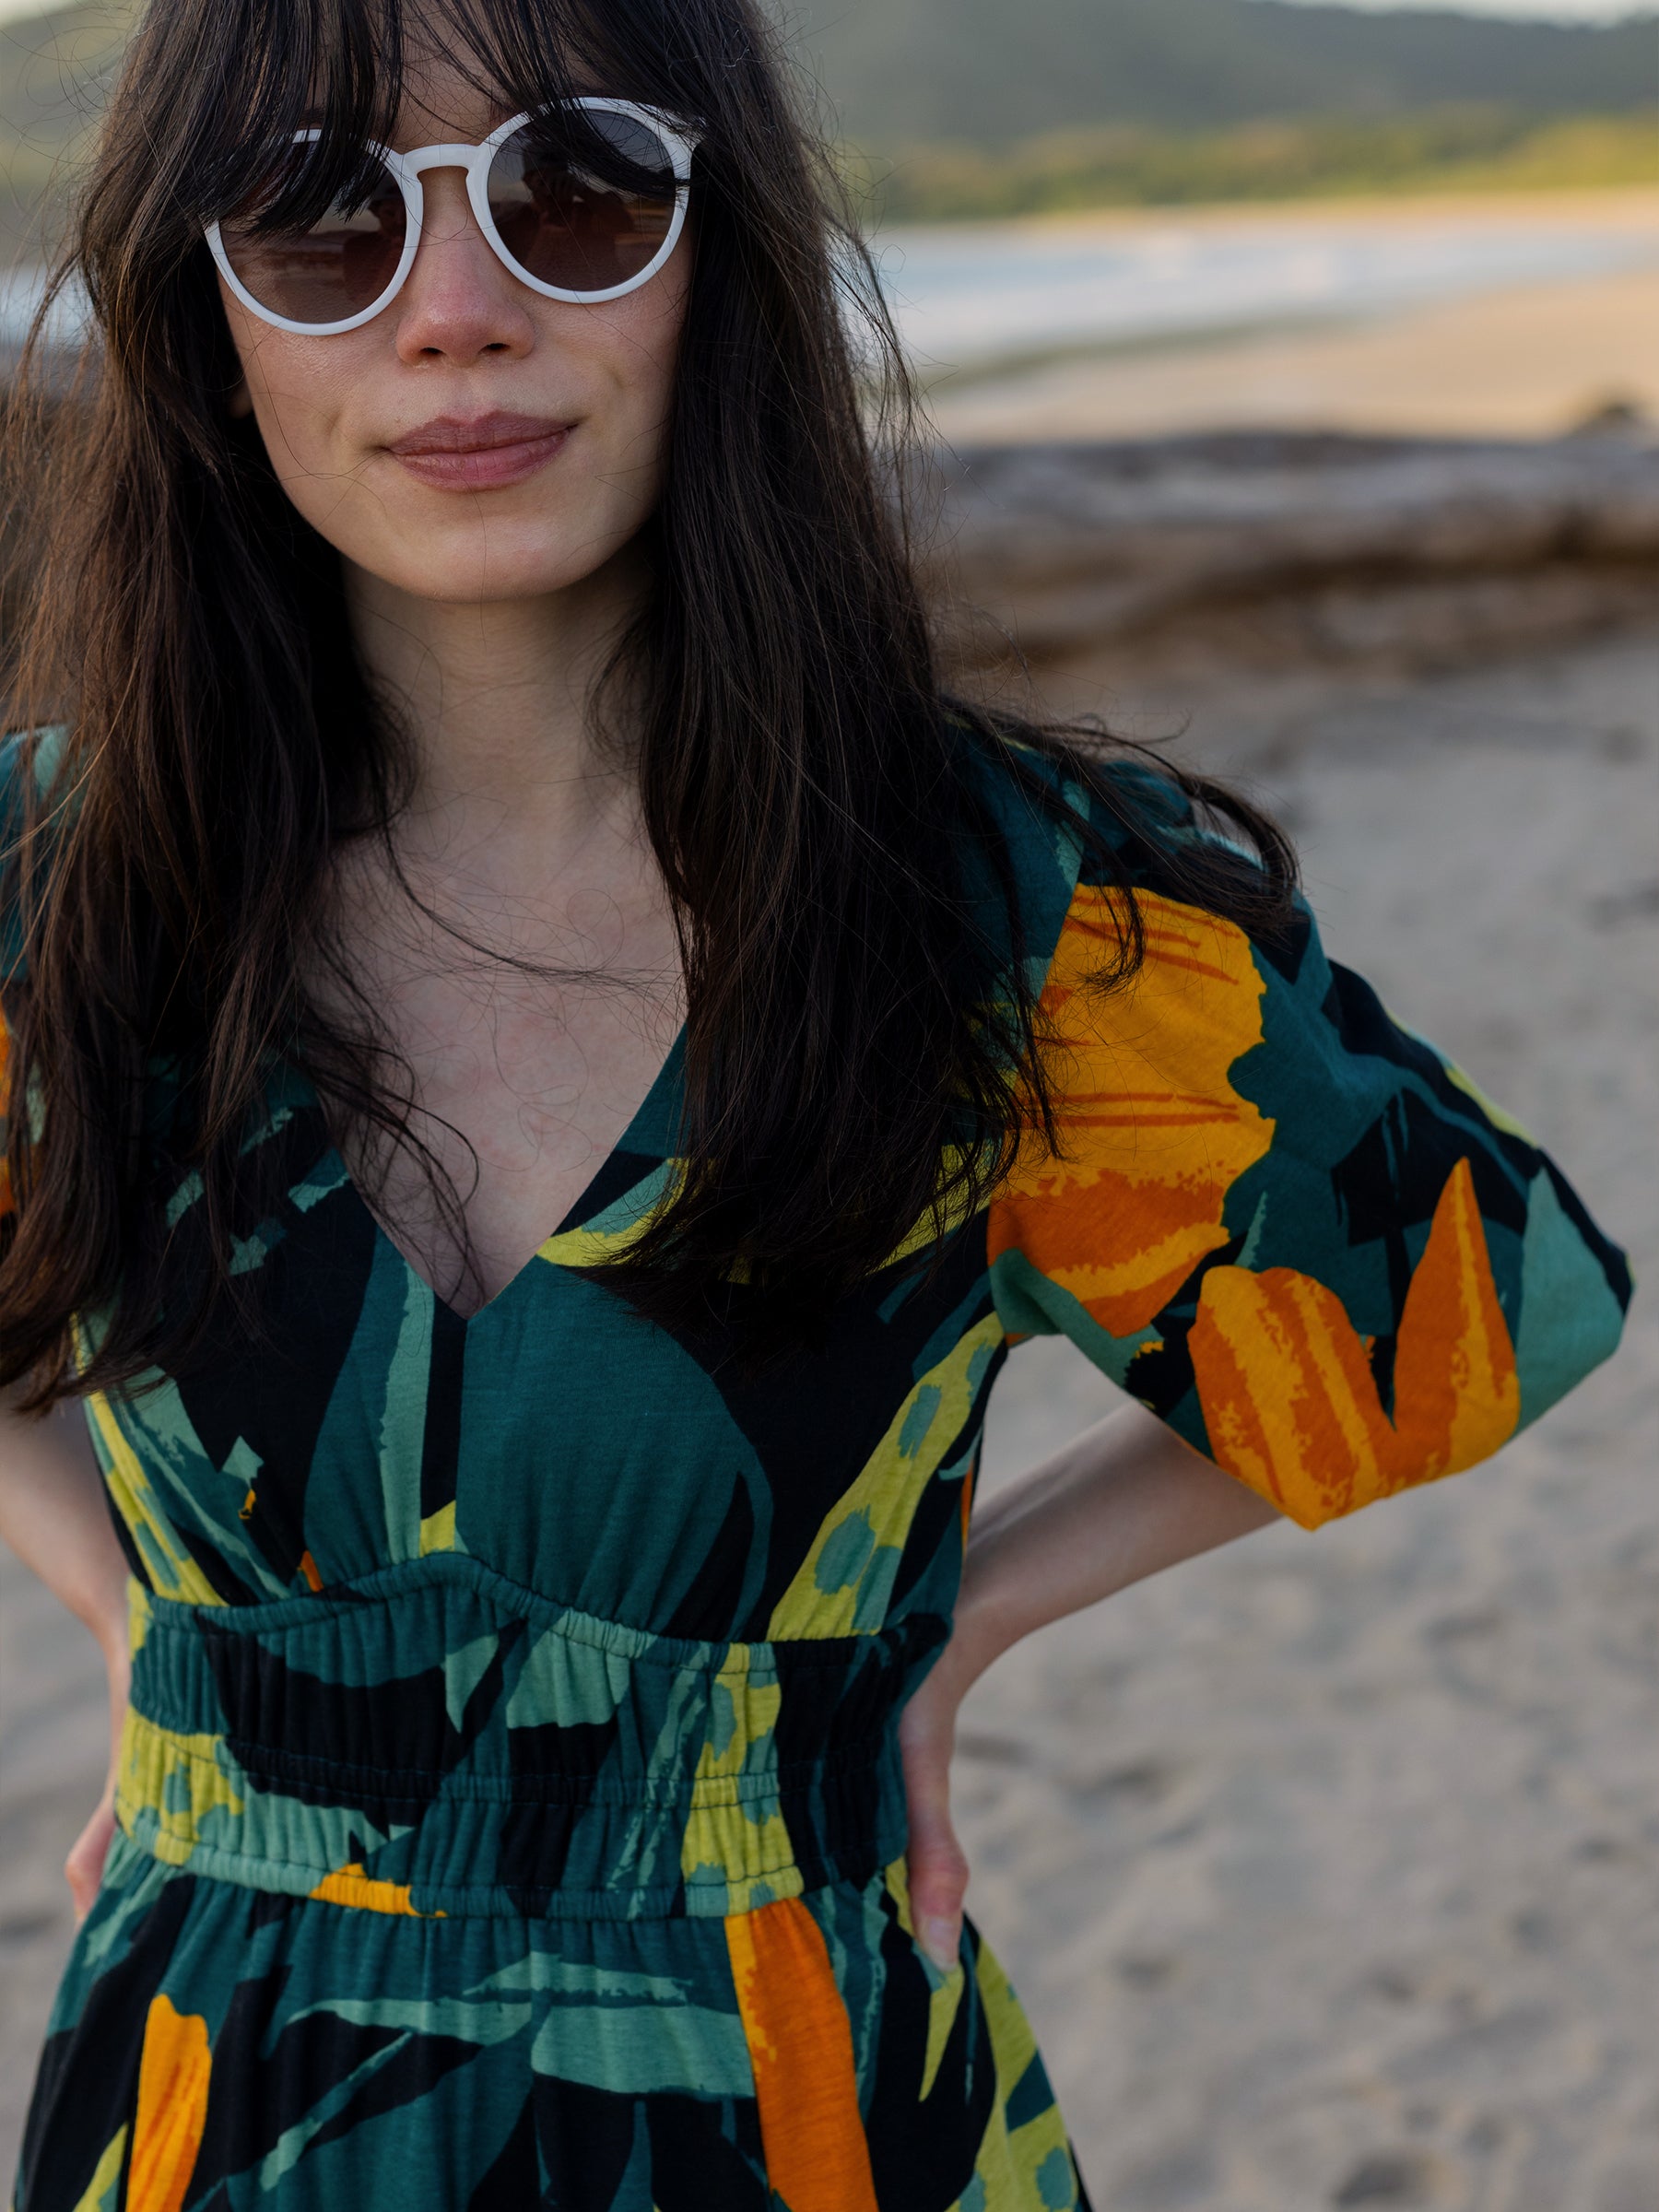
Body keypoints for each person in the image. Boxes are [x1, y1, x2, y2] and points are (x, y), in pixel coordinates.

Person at [0, 1, 1630, 2206]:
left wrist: (967, 1606)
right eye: (320, 222)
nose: (456, 314)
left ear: (719, 262)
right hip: (214, 2110)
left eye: (574, 194)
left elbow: (1473, 1315)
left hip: (802, 2117)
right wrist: (131, 1605)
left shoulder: (993, 907)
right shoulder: (62, 898)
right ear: (210, 320)